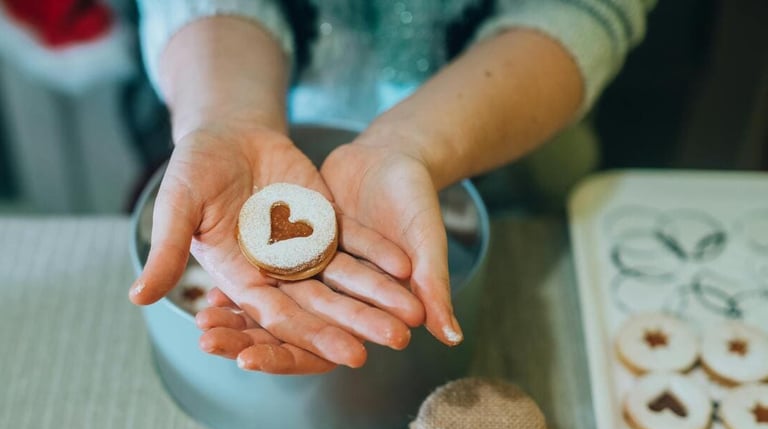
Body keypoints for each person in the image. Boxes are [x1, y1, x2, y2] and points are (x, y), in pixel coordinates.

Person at [130, 0, 654, 374]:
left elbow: (582, 11)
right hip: (263, 119)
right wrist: (226, 116)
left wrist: (409, 144)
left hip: (512, 159)